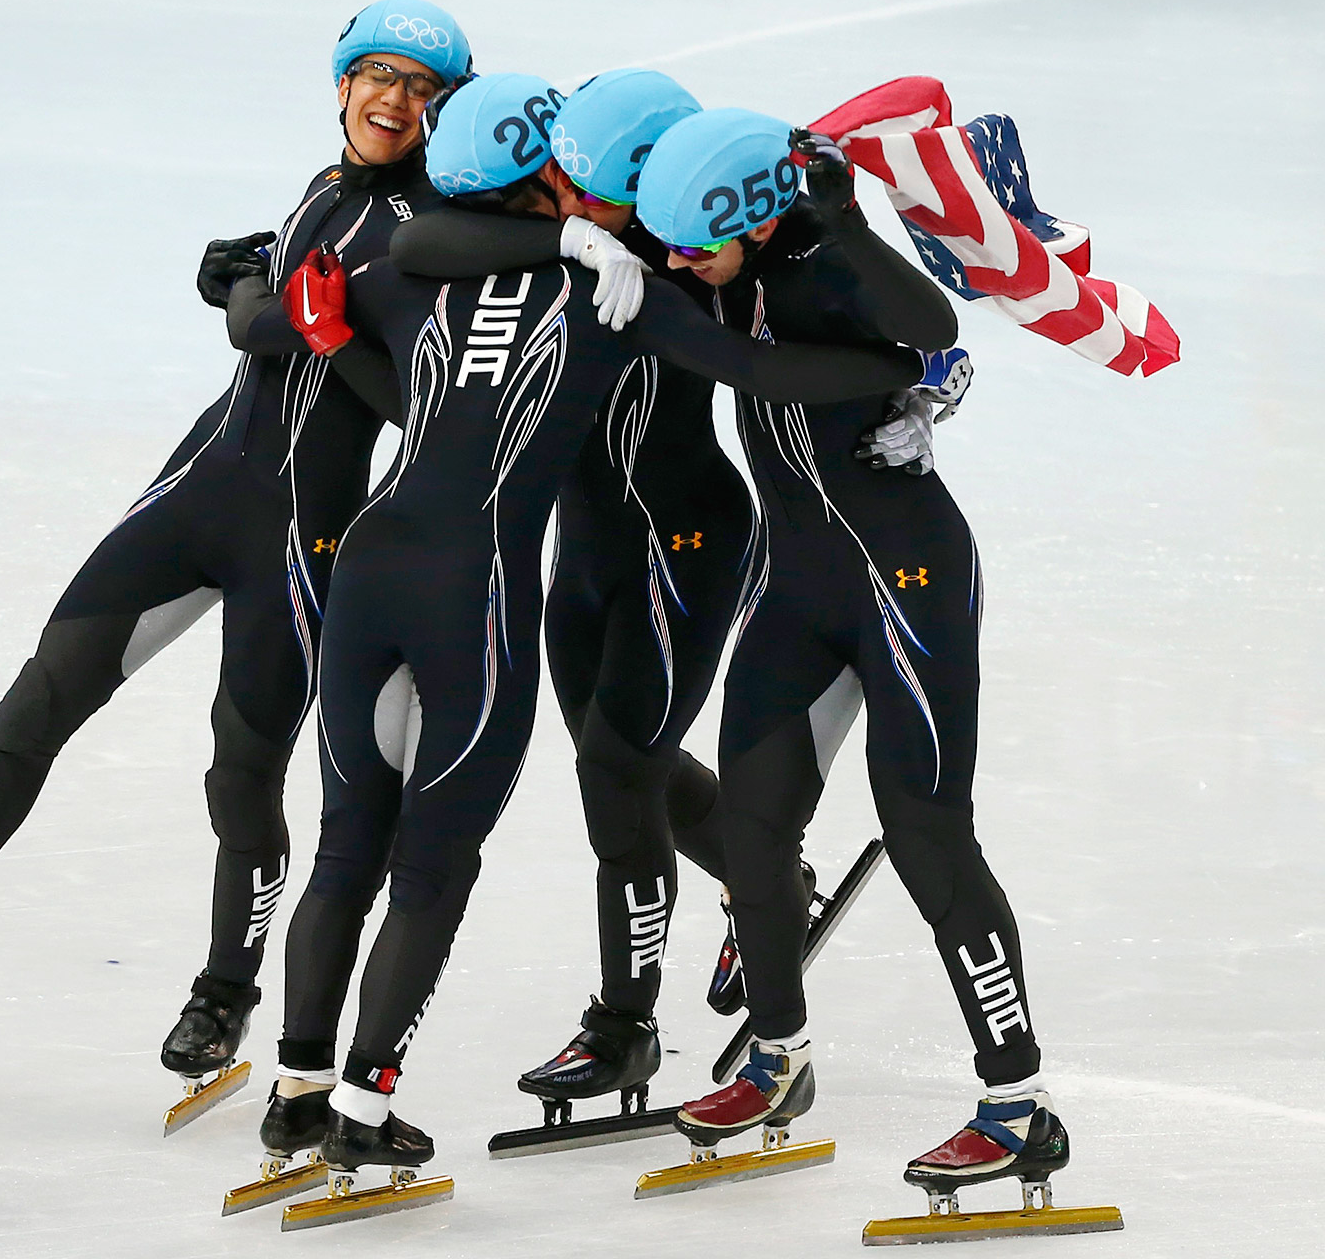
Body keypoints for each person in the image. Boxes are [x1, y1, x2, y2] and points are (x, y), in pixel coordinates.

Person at [257, 74, 923, 1184]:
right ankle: (745, 902)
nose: (578, 197)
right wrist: (566, 235)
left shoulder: (694, 249)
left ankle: (625, 1016)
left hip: (682, 535)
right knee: (607, 771)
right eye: (559, 184)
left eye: (588, 185)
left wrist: (918, 369)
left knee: (622, 761)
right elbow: (440, 239)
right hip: (573, 544)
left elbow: (802, 315)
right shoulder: (555, 249)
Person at [0, 0, 473, 1092]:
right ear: (343, 82)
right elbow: (267, 311)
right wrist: (243, 274)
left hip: (303, 536)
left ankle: (224, 990)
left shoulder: (426, 230)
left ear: (442, 110)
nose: (393, 100)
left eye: (420, 88)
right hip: (198, 490)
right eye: (378, 76)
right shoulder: (327, 184)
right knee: (38, 700)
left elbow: (397, 390)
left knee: (242, 775)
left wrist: (261, 305)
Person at [635, 111, 1066, 1193]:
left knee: (927, 832)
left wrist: (855, 226)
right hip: (798, 585)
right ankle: (778, 1055)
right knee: (751, 824)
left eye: (695, 245)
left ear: (747, 214)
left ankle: (1020, 1102)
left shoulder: (830, 258)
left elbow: (932, 321)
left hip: (907, 575)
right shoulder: (719, 255)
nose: (680, 264)